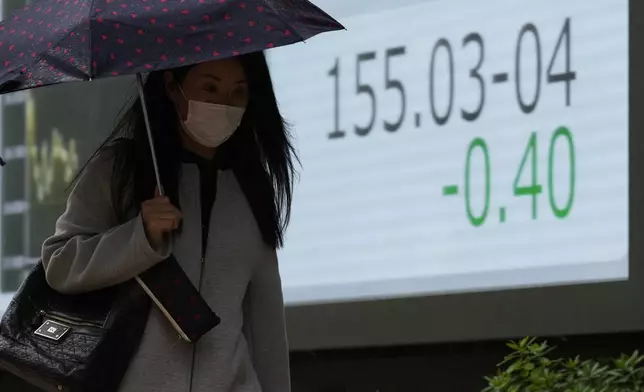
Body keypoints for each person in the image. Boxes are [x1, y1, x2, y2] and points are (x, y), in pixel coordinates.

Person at [41, 52, 294, 392]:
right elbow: (60, 263)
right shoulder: (120, 170)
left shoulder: (251, 187)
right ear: (173, 87)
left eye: (238, 92)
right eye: (210, 88)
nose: (224, 104)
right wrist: (139, 237)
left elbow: (265, 325)